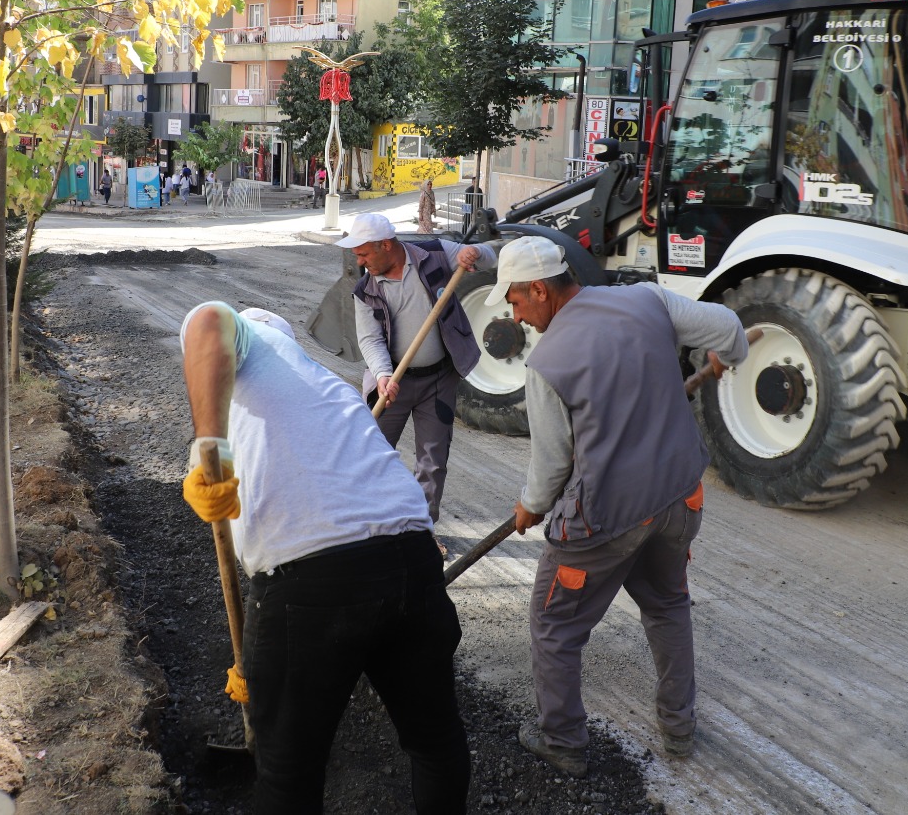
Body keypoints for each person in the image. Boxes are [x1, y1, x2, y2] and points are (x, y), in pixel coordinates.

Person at [179, 302, 470, 815]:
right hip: (413, 564)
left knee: (288, 772)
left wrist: (212, 459)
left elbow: (207, 321)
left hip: (313, 582)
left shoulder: (252, 339)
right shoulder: (325, 384)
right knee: (434, 740)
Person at [493, 237, 748, 778]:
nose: (515, 316)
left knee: (554, 626)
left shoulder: (546, 364)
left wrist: (529, 507)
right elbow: (726, 326)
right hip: (678, 498)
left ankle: (561, 740)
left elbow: (552, 467)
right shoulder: (645, 300)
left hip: (605, 519)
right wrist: (731, 355)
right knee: (666, 605)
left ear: (540, 289)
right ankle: (679, 731)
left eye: (515, 301)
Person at [339, 212, 496, 524]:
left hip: (438, 379)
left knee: (433, 459)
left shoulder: (436, 254)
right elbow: (369, 339)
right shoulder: (365, 290)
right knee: (375, 454)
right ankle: (374, 523)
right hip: (393, 382)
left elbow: (491, 257)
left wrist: (476, 252)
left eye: (364, 253)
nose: (360, 261)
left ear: (385, 245)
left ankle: (422, 528)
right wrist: (383, 375)